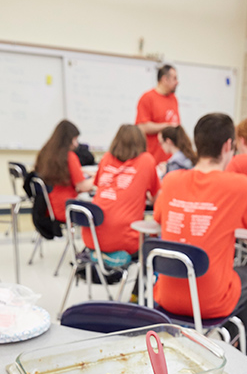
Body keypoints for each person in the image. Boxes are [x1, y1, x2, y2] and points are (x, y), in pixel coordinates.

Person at [153, 112, 247, 365]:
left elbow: (158, 217)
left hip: (164, 297)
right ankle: (244, 347)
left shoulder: (172, 180)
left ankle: (234, 341)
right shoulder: (239, 185)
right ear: (228, 146)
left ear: (197, 144)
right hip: (210, 303)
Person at [81, 125, 160, 259]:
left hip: (92, 238)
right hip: (124, 240)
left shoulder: (106, 158)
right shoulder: (146, 160)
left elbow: (100, 185)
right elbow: (156, 198)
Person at [34, 120, 94, 222]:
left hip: (49, 207)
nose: (76, 144)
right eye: (75, 139)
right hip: (67, 207)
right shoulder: (69, 156)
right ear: (67, 139)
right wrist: (99, 176)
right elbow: (83, 186)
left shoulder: (45, 153)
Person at [135, 64, 180, 165]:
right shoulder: (147, 98)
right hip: (153, 158)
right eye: (174, 78)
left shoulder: (173, 98)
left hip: (172, 159)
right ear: (165, 79)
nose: (177, 82)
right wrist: (167, 126)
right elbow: (142, 126)